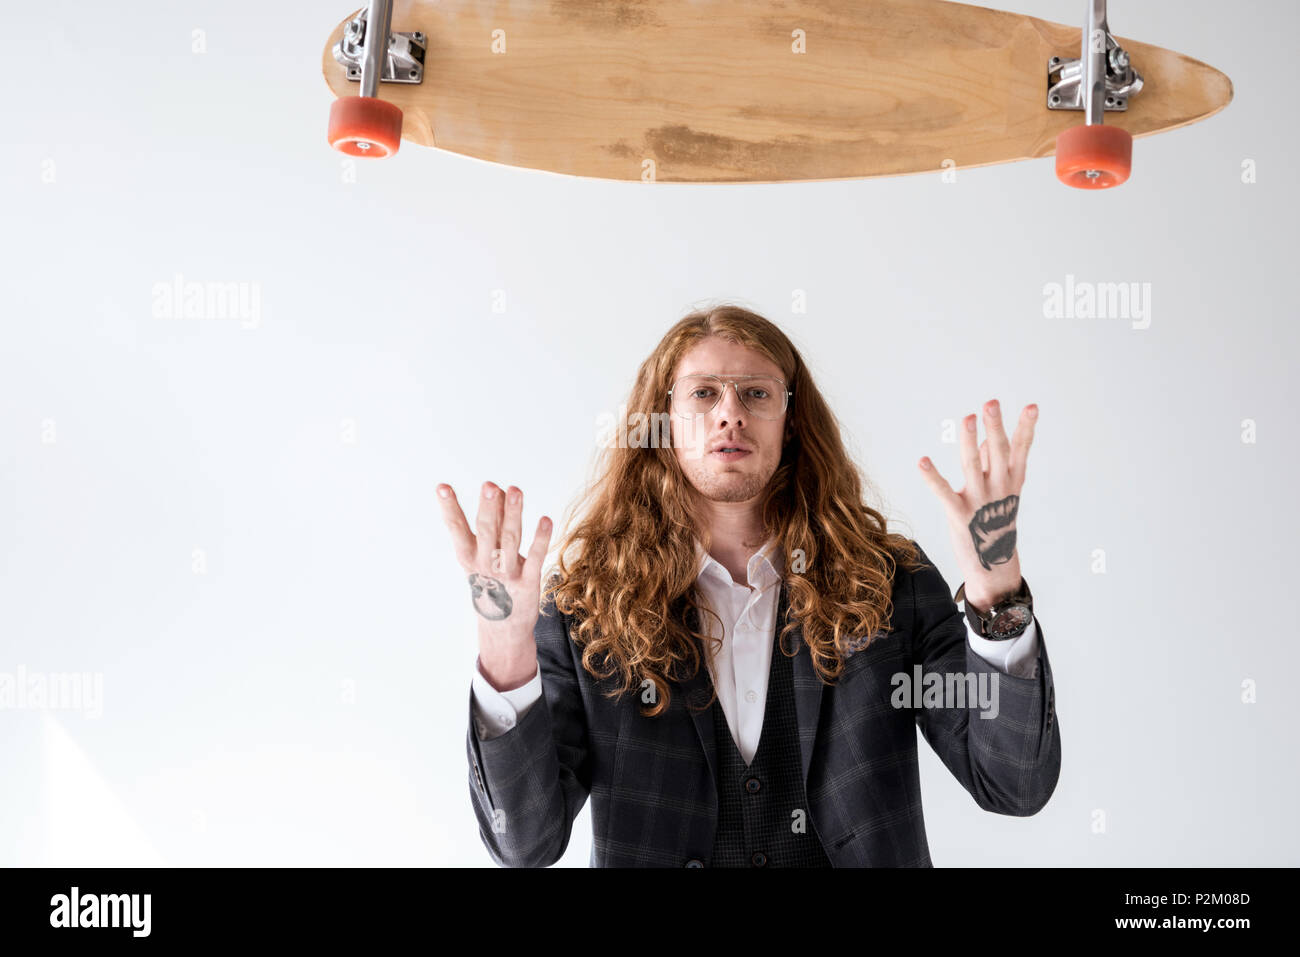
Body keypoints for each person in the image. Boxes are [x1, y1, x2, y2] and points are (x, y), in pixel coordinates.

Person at [438, 304, 1059, 867]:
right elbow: (523, 842)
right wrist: (504, 649)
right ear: (664, 425)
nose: (730, 412)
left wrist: (996, 592)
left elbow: (1013, 784)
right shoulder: (588, 606)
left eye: (756, 393)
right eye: (704, 393)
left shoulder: (887, 581)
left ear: (790, 421)